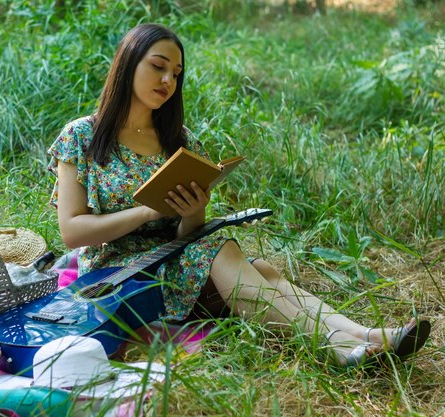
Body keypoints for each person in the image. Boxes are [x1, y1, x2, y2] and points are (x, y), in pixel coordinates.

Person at [46, 23, 430, 368]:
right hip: (121, 275)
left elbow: (186, 235)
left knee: (261, 269)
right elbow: (72, 231)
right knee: (225, 253)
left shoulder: (178, 141)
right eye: (158, 66)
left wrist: (195, 212)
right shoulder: (82, 136)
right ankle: (338, 343)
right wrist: (146, 212)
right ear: (128, 63)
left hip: (176, 260)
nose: (167, 80)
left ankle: (364, 336)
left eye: (176, 74)